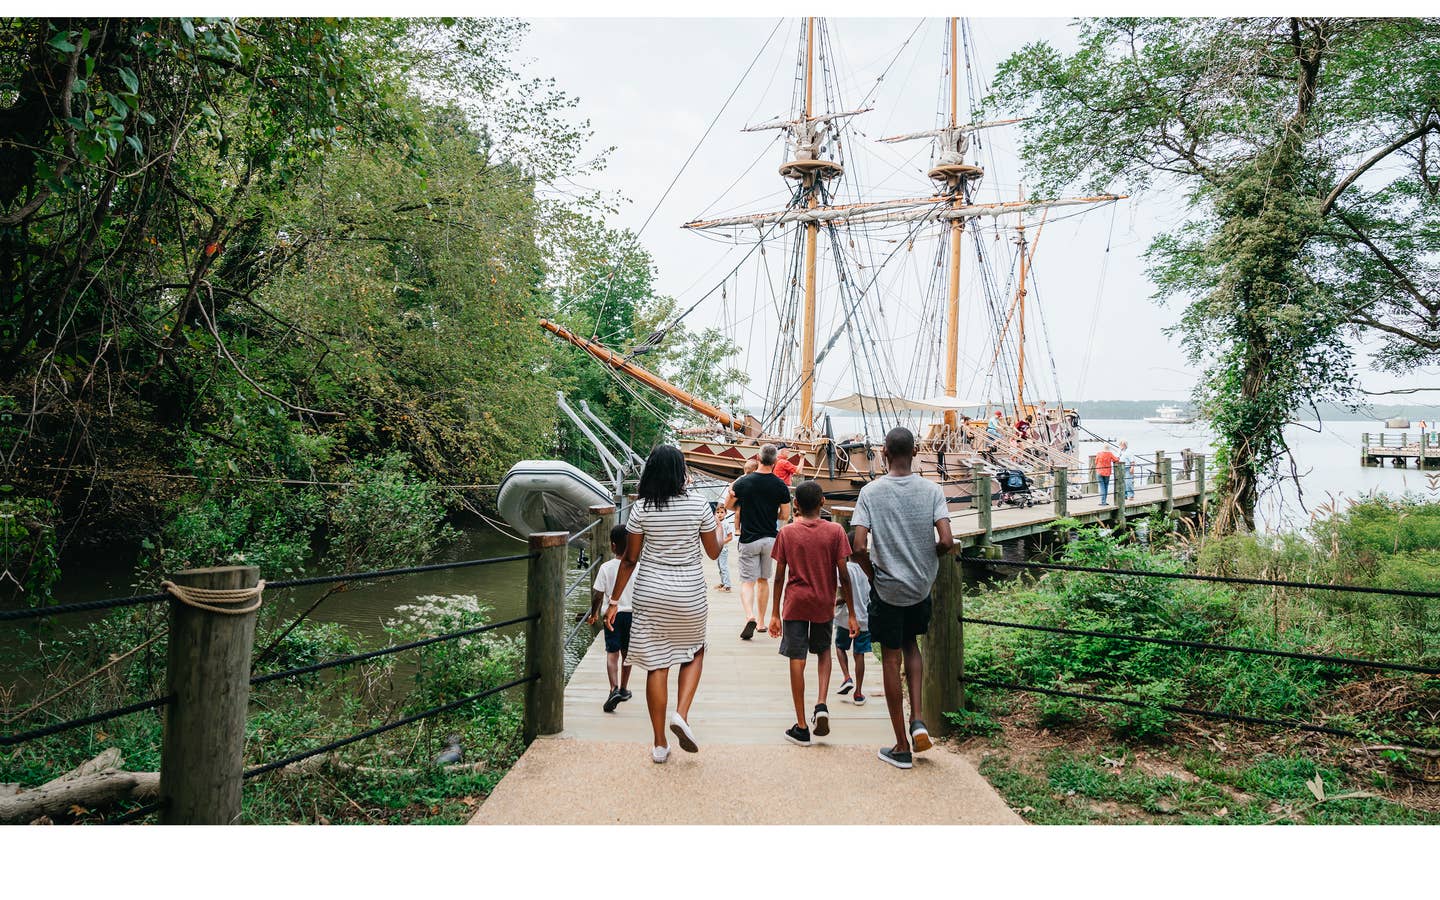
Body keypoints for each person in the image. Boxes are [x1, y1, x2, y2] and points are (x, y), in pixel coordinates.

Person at [607, 445, 723, 764]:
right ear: (680, 471)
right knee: (695, 650)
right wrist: (722, 528)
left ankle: (659, 744)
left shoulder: (641, 508)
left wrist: (614, 600)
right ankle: (681, 714)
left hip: (651, 593)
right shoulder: (699, 504)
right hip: (689, 593)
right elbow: (714, 552)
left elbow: (629, 559)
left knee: (657, 664)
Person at [851, 426, 954, 770]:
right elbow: (946, 539)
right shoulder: (932, 490)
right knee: (912, 646)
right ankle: (919, 719)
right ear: (914, 453)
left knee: (891, 659)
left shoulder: (870, 492)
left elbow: (859, 546)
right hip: (919, 587)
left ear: (884, 453)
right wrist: (929, 560)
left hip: (888, 589)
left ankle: (900, 746)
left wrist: (873, 574)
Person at [768, 480, 855, 746]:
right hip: (823, 602)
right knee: (824, 652)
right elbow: (844, 575)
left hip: (795, 602)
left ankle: (802, 725)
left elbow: (779, 576)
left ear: (795, 504)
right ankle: (821, 704)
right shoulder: (836, 531)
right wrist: (851, 613)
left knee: (797, 657)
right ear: (822, 503)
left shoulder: (787, 532)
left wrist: (774, 614)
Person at [725, 444, 792, 640]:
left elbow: (729, 506)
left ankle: (750, 616)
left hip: (748, 539)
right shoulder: (780, 486)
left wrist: (733, 493)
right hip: (770, 538)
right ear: (775, 461)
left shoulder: (744, 482)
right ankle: (762, 622)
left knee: (748, 581)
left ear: (758, 457)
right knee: (763, 580)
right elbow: (785, 515)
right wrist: (771, 513)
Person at [584, 524, 636, 713]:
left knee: (612, 653)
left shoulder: (606, 568)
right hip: (632, 615)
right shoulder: (636, 567)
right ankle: (623, 688)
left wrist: (594, 613)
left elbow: (598, 594)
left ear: (613, 546)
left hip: (612, 616)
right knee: (627, 654)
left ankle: (613, 688)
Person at [833, 532, 871, 706]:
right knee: (859, 654)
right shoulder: (869, 570)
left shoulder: (844, 569)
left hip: (844, 618)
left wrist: (834, 602)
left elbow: (843, 594)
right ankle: (859, 692)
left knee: (840, 647)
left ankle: (847, 677)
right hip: (864, 618)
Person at [712, 502, 734, 591]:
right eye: (717, 512)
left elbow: (730, 537)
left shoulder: (726, 524)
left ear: (725, 513)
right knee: (720, 567)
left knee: (723, 567)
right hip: (717, 548)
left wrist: (721, 542)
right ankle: (723, 582)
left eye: (722, 512)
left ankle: (727, 585)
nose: (719, 514)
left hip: (723, 549)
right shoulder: (715, 523)